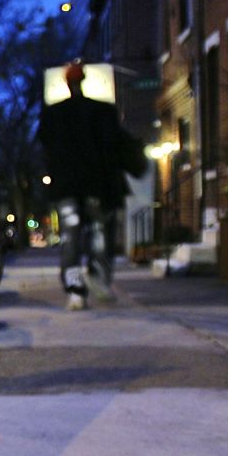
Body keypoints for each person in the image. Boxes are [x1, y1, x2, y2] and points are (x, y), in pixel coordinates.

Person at [37, 61, 144, 310]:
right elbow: (115, 146)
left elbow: (45, 149)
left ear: (66, 83)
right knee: (99, 234)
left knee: (70, 237)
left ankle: (75, 290)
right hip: (98, 186)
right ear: (83, 81)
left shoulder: (53, 114)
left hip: (66, 187)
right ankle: (98, 277)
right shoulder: (103, 111)